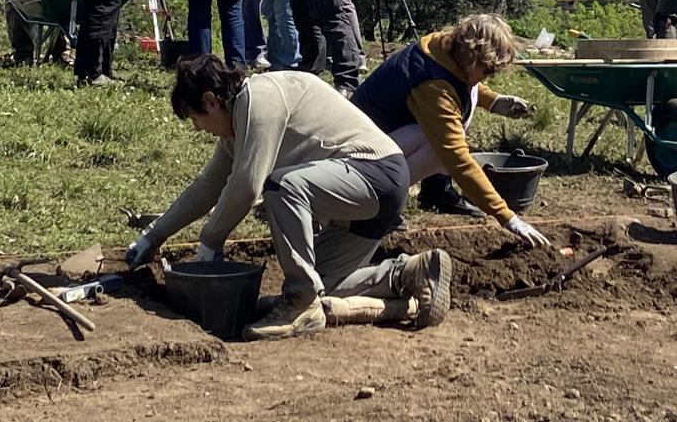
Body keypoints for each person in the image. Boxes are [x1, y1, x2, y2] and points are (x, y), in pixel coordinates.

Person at [126, 54, 454, 341]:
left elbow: (248, 185)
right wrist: (152, 237)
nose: (199, 128)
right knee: (320, 284)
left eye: (196, 119)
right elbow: (209, 185)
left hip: (376, 174)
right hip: (367, 192)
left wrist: (210, 242)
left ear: (212, 100)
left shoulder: (261, 98)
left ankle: (300, 306)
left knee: (282, 186)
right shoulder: (237, 125)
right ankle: (409, 274)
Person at [351, 13, 548, 244]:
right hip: (360, 158)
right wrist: (507, 217)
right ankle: (380, 204)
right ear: (473, 58)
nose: (489, 77)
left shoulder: (446, 47)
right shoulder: (433, 85)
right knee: (440, 148)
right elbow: (458, 158)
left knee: (447, 131)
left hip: (381, 139)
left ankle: (428, 191)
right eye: (488, 71)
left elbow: (459, 82)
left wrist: (492, 100)